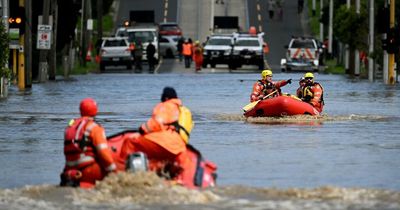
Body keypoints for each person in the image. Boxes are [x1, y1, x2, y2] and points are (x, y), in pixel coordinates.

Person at [121, 87, 193, 184]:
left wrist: (142, 130)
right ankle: (172, 179)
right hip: (179, 147)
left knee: (129, 141)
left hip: (164, 141)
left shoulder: (166, 105)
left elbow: (156, 123)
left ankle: (121, 172)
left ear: (166, 97)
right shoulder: (183, 110)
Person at [60, 98, 116, 188]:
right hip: (88, 171)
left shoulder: (70, 127)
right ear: (96, 110)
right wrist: (114, 172)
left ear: (80, 110)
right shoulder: (94, 127)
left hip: (69, 172)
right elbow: (103, 153)